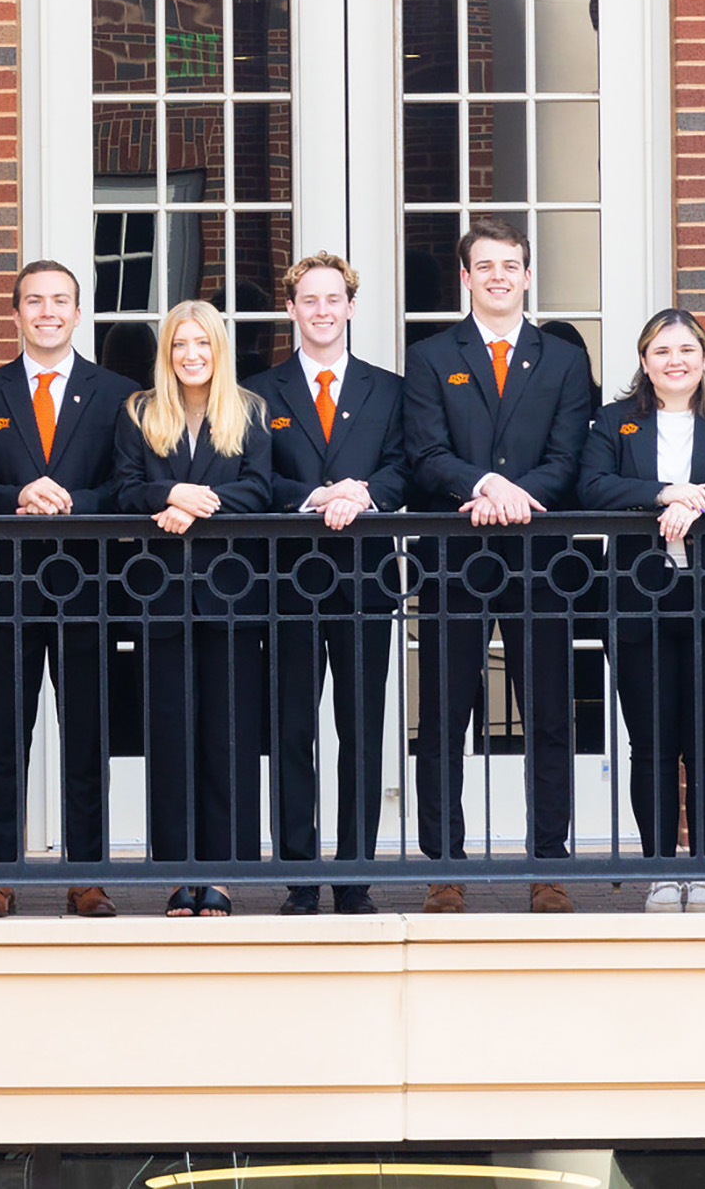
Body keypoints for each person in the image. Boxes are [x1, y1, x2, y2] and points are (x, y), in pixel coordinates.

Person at [402, 214, 597, 915]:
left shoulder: (565, 360)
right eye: (484, 266)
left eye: (509, 265)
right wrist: (484, 486)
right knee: (444, 715)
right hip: (454, 558)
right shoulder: (428, 357)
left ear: (526, 274)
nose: (497, 277)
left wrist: (518, 494)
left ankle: (548, 865)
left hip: (539, 558)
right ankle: (443, 868)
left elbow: (571, 457)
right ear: (466, 276)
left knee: (548, 715)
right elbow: (425, 452)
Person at [0, 260, 139, 919]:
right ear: (16, 314)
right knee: (4, 736)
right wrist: (16, 496)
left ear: (78, 312)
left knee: (86, 734)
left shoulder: (117, 393)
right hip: (7, 585)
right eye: (35, 301)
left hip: (88, 585)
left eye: (61, 301)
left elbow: (126, 486)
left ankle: (87, 875)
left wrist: (74, 502)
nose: (48, 312)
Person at [579, 308, 705, 912]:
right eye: (662, 351)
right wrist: (664, 493)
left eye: (687, 350)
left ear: (704, 358)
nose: (676, 361)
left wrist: (702, 502)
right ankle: (663, 870)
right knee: (654, 742)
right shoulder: (616, 423)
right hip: (639, 599)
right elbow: (591, 486)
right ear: (644, 362)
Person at [242, 252, 408, 917]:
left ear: (350, 307)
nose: (321, 310)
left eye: (332, 299)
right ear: (291, 309)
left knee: (361, 731)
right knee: (291, 731)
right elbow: (252, 478)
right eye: (308, 300)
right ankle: (301, 875)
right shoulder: (259, 392)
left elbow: (406, 470)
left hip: (366, 580)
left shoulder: (387, 389)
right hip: (287, 581)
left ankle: (356, 876)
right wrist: (317, 495)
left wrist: (362, 493)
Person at [114, 299, 275, 918]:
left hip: (231, 596)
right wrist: (168, 492)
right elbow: (124, 488)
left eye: (202, 344)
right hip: (159, 597)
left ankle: (223, 876)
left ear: (219, 350)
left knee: (228, 739)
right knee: (171, 736)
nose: (191, 355)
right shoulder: (139, 413)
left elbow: (260, 488)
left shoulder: (251, 412)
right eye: (180, 344)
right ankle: (179, 875)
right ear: (167, 353)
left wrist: (195, 505)